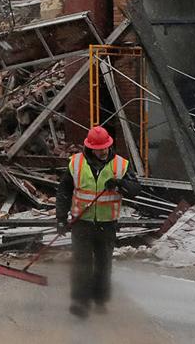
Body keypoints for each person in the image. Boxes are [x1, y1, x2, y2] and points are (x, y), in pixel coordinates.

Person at [55, 125, 141, 319]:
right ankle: (80, 303)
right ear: (90, 147)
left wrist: (120, 183)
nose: (103, 151)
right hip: (82, 222)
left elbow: (136, 189)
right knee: (81, 264)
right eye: (99, 148)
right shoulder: (75, 164)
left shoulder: (121, 165)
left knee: (103, 264)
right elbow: (64, 192)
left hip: (107, 223)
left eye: (105, 147)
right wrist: (60, 218)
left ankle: (100, 300)